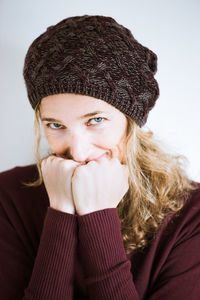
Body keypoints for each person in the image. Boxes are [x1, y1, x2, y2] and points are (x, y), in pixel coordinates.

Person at [0, 15, 199, 300]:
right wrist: (60, 213)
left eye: (95, 120)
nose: (78, 152)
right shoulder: (7, 199)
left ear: (131, 121)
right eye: (56, 125)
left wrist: (98, 218)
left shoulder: (190, 216)